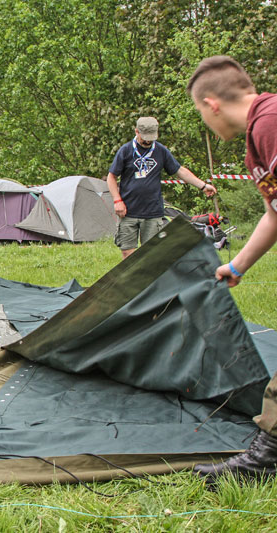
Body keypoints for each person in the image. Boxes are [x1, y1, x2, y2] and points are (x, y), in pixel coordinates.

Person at [186, 56, 277, 484]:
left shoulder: (271, 121)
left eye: (200, 114)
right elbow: (274, 215)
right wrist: (236, 265)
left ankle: (266, 459)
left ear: (211, 104)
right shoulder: (256, 140)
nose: (205, 122)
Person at [107, 117, 217, 259]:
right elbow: (111, 177)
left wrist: (203, 186)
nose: (147, 141)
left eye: (151, 138)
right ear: (136, 132)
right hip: (128, 211)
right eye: (144, 138)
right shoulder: (125, 151)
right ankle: (133, 281)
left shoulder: (161, 151)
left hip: (153, 212)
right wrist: (117, 201)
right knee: (128, 253)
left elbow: (180, 171)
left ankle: (151, 280)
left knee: (152, 254)